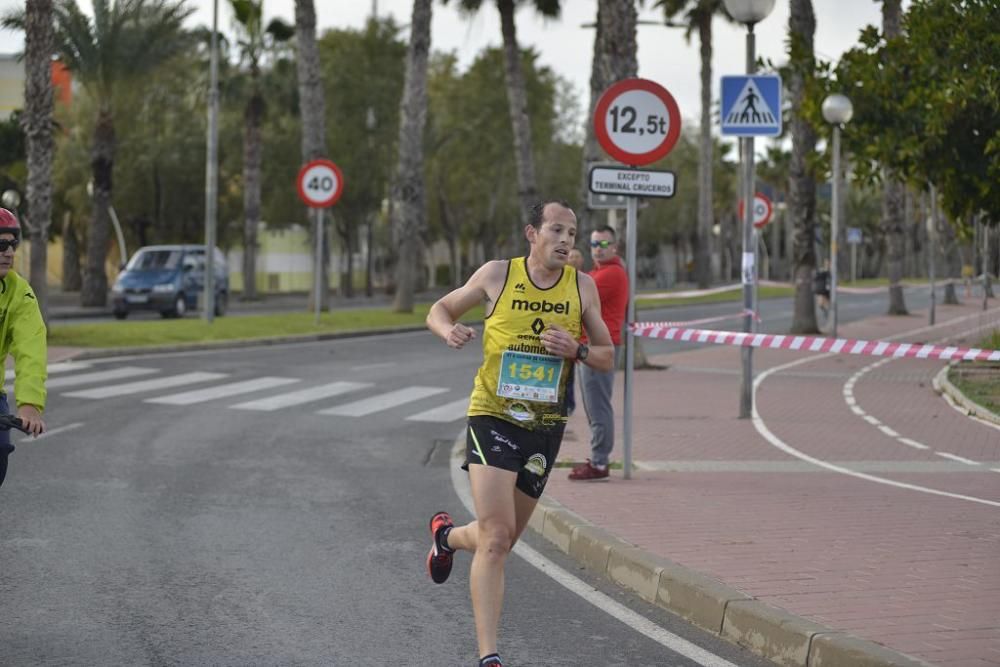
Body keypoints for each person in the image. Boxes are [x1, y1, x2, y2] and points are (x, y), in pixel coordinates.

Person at [424, 200, 613, 667]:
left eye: (572, 232)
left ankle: (446, 538)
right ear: (532, 233)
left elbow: (609, 355)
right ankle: (489, 656)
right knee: (494, 537)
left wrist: (578, 349)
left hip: (544, 427)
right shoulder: (497, 275)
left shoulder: (583, 287)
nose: (566, 240)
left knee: (502, 539)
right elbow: (439, 308)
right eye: (557, 230)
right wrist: (447, 330)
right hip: (493, 415)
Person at [569, 225, 628, 482]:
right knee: (594, 408)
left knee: (599, 407)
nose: (598, 249)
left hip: (599, 349)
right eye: (594, 244)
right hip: (589, 347)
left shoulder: (610, 275)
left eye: (603, 244)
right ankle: (597, 458)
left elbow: (573, 296)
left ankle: (600, 462)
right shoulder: (597, 273)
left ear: (614, 247)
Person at [0, 208, 47, 489]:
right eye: (0, 245)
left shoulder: (20, 292)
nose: (8, 252)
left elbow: (32, 349)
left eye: (12, 245)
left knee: (1, 450)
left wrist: (29, 405)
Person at [564, 247, 585, 415]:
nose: (574, 259)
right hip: (564, 333)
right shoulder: (559, 280)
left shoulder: (586, 282)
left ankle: (569, 404)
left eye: (577, 257)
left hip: (580, 337)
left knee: (570, 373)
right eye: (572, 257)